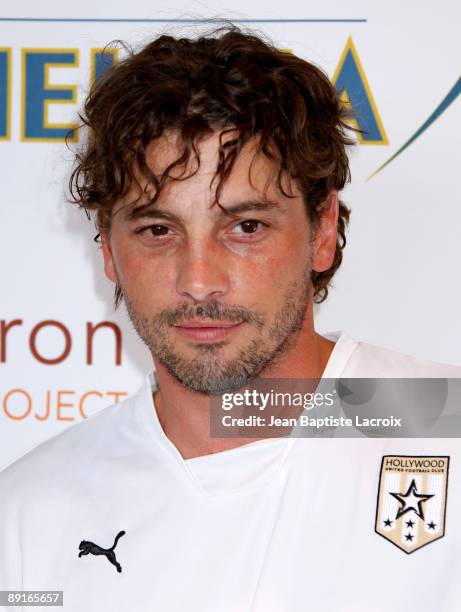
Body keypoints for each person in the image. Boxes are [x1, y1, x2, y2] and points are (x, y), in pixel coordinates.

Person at [0, 24, 460, 612]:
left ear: (322, 231)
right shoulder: (28, 517)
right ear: (109, 251)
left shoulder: (450, 429)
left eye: (245, 227)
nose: (198, 280)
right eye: (158, 230)